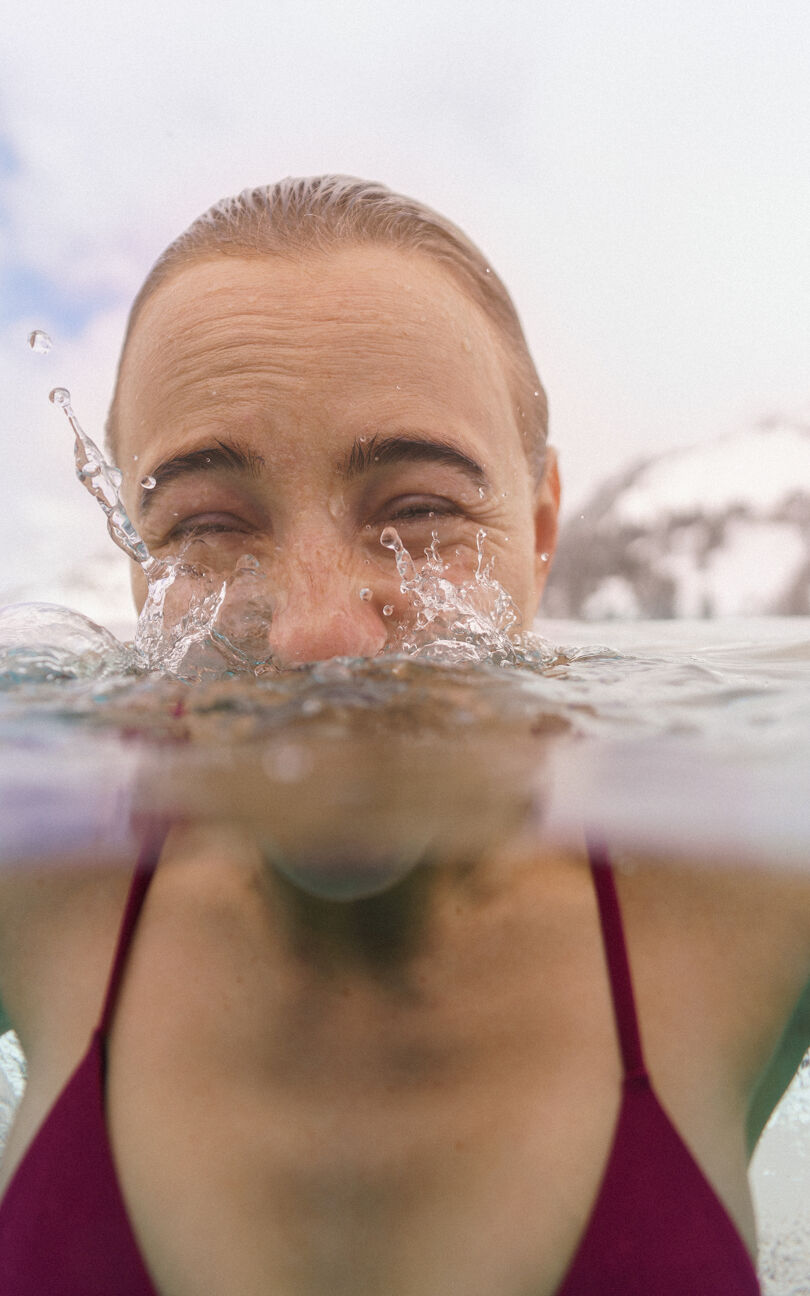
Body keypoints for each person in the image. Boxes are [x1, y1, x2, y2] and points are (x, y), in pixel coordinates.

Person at [0, 175, 807, 1294]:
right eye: (207, 527)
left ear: (537, 527)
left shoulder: (742, 895)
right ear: (141, 565)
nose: (316, 636)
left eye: (420, 511)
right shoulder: (40, 888)